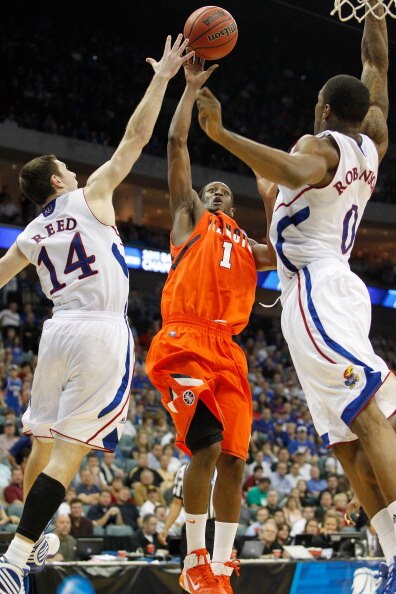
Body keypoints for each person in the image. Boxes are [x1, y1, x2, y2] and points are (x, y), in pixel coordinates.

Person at [196, 3, 396, 590]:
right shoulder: (374, 141)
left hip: (315, 291)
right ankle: (392, 557)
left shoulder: (322, 148)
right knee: (345, 442)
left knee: (366, 415)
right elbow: (374, 67)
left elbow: (289, 164)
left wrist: (220, 133)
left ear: (326, 110)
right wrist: (377, 15)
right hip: (329, 286)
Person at [0, 34, 194, 592]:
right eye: (67, 167)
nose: (76, 171)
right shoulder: (93, 195)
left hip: (56, 330)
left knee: (41, 441)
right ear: (60, 181)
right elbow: (136, 136)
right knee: (70, 452)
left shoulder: (33, 230)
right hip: (100, 332)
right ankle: (14, 556)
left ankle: (32, 538)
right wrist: (162, 77)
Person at [145, 56, 275, 594]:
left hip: (229, 349)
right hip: (184, 338)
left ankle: (221, 566)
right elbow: (178, 148)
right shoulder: (189, 217)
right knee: (205, 444)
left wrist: (270, 198)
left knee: (235, 459)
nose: (215, 191)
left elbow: (292, 252)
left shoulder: (249, 245)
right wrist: (188, 89)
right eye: (210, 188)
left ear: (235, 206)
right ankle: (192, 556)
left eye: (224, 190)